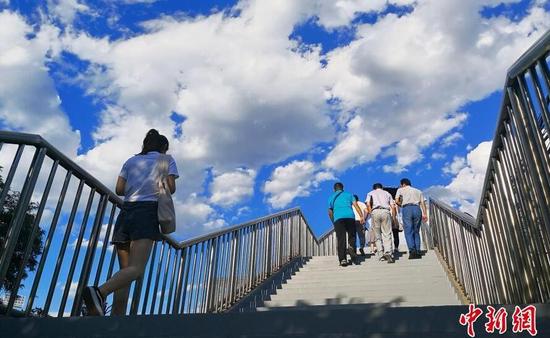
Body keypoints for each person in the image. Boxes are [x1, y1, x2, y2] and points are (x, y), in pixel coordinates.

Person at [82, 129, 179, 316]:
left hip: (126, 212)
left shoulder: (131, 160)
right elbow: (171, 188)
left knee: (125, 272)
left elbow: (119, 189)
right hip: (147, 212)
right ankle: (99, 292)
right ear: (163, 147)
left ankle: (116, 318)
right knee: (136, 269)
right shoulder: (166, 160)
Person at [328, 182, 364, 266]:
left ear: (334, 189)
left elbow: (330, 212)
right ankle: (352, 250)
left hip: (338, 218)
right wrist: (361, 216)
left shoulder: (331, 197)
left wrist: (334, 221)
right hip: (350, 217)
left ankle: (343, 259)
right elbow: (355, 205)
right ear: (343, 188)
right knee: (352, 235)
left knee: (341, 239)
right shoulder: (349, 194)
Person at [395, 178, 427, 260]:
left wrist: (401, 204)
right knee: (416, 231)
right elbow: (423, 203)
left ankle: (412, 251)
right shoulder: (418, 191)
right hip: (417, 209)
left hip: (407, 208)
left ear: (403, 184)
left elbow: (397, 201)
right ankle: (418, 250)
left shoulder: (400, 190)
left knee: (408, 231)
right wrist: (425, 214)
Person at [365, 183, 396, 263]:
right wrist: (394, 217)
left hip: (375, 211)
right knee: (387, 233)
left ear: (374, 188)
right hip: (385, 211)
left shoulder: (370, 193)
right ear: (382, 187)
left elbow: (368, 204)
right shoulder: (387, 193)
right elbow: (393, 206)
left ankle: (381, 254)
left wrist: (371, 213)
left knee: (377, 235)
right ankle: (388, 252)